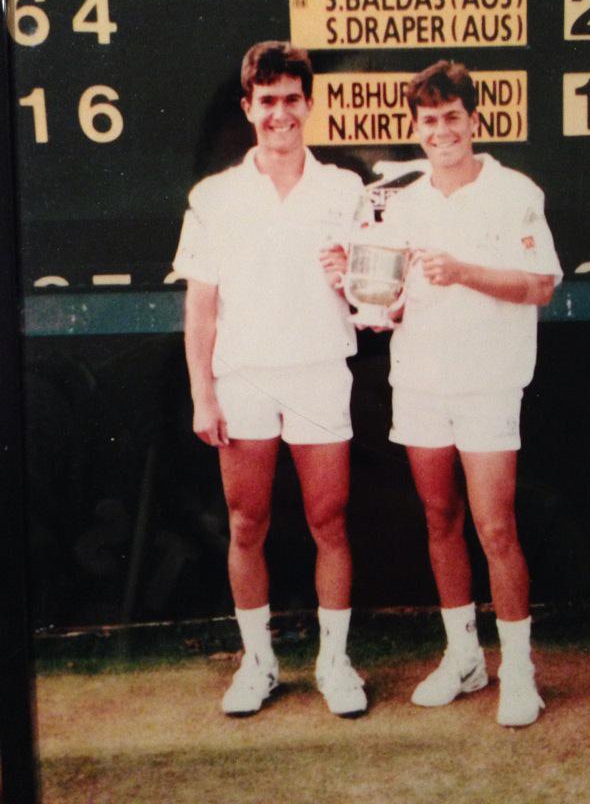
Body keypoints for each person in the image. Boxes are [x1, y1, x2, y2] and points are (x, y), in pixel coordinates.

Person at [173, 41, 367, 718]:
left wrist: (355, 281)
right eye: (268, 101)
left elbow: (375, 301)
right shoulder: (214, 196)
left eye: (292, 100)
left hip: (319, 373)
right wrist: (204, 392)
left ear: (308, 106)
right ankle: (258, 664)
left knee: (329, 520)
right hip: (243, 380)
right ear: (248, 107)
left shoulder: (345, 189)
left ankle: (335, 662)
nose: (280, 113)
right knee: (246, 521)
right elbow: (200, 307)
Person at [382, 60, 562, 726]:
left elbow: (540, 285)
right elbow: (389, 300)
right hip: (420, 383)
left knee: (494, 528)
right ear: (418, 128)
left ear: (473, 122)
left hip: (489, 382)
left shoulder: (516, 191)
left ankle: (519, 671)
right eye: (429, 120)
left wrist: (464, 272)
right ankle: (465, 658)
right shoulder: (402, 201)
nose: (441, 130)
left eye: (451, 117)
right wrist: (363, 286)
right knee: (439, 521)